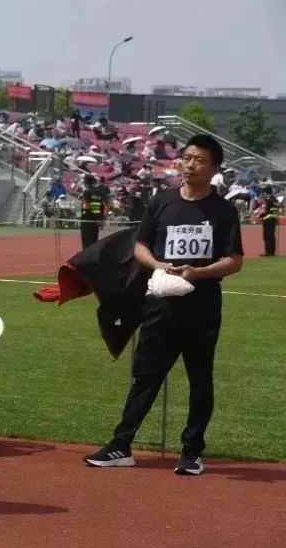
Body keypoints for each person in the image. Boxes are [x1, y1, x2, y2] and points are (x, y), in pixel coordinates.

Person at [85, 135, 243, 476]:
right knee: (145, 377)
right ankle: (121, 445)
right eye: (186, 158)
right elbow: (141, 245)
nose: (189, 164)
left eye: (199, 160)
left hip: (201, 308)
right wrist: (158, 265)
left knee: (200, 379)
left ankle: (192, 452)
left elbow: (234, 260)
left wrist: (198, 272)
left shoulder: (223, 210)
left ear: (214, 167)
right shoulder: (161, 203)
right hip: (160, 304)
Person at [80, 173, 108, 249]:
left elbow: (85, 206)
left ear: (86, 182)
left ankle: (87, 258)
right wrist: (101, 218)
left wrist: (83, 215)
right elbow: (102, 206)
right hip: (96, 220)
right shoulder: (99, 192)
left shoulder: (87, 192)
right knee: (94, 240)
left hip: (87, 220)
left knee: (86, 242)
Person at [255, 186, 280, 256]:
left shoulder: (269, 200)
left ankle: (268, 251)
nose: (263, 194)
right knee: (271, 235)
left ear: (266, 192)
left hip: (268, 220)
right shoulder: (275, 199)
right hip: (272, 219)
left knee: (267, 236)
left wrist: (261, 216)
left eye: (264, 193)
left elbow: (266, 210)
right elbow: (275, 211)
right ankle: (271, 251)